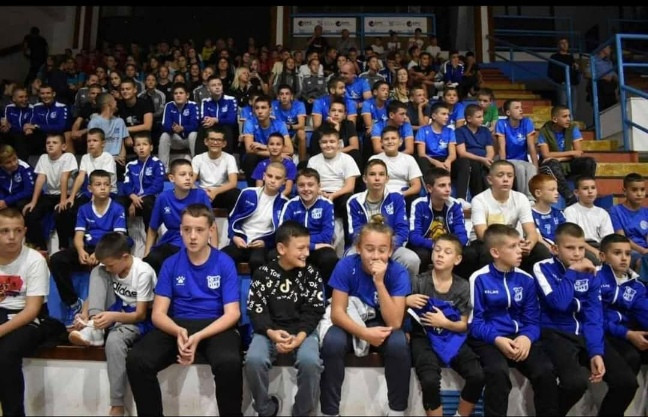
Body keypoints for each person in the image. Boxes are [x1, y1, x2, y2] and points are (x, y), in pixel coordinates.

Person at [126, 204, 243, 416]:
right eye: (187, 229)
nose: (193, 236)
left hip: (215, 325)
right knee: (137, 360)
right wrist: (179, 331)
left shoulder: (224, 262)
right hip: (178, 323)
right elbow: (158, 314)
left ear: (211, 230)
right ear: (180, 230)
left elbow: (233, 314)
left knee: (230, 362)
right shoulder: (170, 264)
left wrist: (198, 336)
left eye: (199, 230)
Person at [533, 222, 638, 415]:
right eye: (570, 248)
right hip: (555, 333)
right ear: (555, 249)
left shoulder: (592, 273)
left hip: (584, 332)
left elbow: (593, 315)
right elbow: (559, 304)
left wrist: (595, 351)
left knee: (626, 383)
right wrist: (573, 272)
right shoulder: (543, 267)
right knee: (574, 384)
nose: (577, 254)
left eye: (581, 248)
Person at [319, 216, 411, 416]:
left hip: (383, 322)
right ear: (359, 248)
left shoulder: (398, 272)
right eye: (369, 249)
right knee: (332, 342)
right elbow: (337, 313)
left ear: (390, 251)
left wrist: (379, 282)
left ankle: (396, 410)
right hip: (352, 321)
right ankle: (330, 411)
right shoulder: (345, 265)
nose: (375, 256)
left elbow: (395, 322)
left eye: (382, 250)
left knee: (398, 344)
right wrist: (365, 333)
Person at [468, 224, 559, 416]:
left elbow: (532, 320)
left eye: (519, 245)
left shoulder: (526, 279)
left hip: (520, 337)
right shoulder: (479, 278)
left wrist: (526, 337)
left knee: (545, 371)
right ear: (495, 252)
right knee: (497, 373)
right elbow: (475, 323)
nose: (520, 250)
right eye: (513, 246)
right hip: (490, 339)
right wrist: (497, 339)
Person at [68, 232, 156, 417]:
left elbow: (141, 315)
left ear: (125, 257)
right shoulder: (108, 268)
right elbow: (95, 294)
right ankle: (94, 328)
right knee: (97, 271)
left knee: (114, 341)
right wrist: (85, 314)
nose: (108, 269)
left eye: (111, 265)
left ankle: (117, 404)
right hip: (115, 311)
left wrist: (113, 317)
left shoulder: (143, 272)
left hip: (139, 318)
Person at [245, 221, 325, 417]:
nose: (307, 253)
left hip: (303, 331)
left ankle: (301, 411)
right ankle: (265, 409)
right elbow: (256, 310)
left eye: (307, 247)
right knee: (253, 360)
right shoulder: (263, 274)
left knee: (310, 362)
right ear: (282, 248)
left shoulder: (312, 274)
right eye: (301, 248)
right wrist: (271, 333)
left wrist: (299, 337)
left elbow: (314, 311)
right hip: (268, 331)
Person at [407, 234, 484, 416]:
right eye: (437, 250)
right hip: (423, 337)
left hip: (451, 336)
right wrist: (406, 301)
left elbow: (463, 325)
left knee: (477, 376)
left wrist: (445, 323)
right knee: (429, 380)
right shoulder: (418, 281)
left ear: (457, 259)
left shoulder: (463, 286)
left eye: (447, 252)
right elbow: (401, 310)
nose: (440, 255)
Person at [50, 169, 127, 327]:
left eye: (106, 184)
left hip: (108, 251)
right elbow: (78, 236)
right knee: (57, 260)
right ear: (90, 188)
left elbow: (118, 239)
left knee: (104, 267)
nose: (103, 188)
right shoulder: (84, 209)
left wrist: (99, 254)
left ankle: (95, 315)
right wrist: (80, 251)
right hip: (88, 249)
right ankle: (73, 304)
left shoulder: (117, 208)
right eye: (98, 184)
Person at [0, 207, 51, 416]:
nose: (12, 237)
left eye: (17, 230)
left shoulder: (35, 260)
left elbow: (32, 310)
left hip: (26, 319)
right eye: (4, 231)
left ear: (25, 232)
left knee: (5, 355)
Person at [470, 160, 552, 274]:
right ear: (490, 180)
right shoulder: (479, 200)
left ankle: (532, 283)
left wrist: (528, 245)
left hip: (512, 242)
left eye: (510, 176)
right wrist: (509, 245)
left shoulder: (521, 198)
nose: (505, 179)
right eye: (500, 175)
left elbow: (531, 232)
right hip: (485, 242)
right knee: (488, 251)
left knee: (540, 250)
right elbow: (482, 234)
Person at [347, 159, 421, 277]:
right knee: (349, 258)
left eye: (381, 174)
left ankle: (404, 288)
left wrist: (386, 248)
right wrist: (371, 249)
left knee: (412, 260)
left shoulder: (397, 198)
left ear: (387, 178)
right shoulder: (354, 201)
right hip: (366, 247)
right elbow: (355, 233)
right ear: (365, 178)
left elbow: (402, 230)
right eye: (372, 174)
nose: (377, 178)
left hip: (391, 246)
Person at [143, 159, 214, 274]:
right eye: (183, 174)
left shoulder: (200, 195)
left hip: (194, 240)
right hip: (170, 241)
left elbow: (212, 226)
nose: (188, 178)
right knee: (152, 260)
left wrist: (214, 252)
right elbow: (152, 228)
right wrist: (146, 254)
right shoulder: (163, 198)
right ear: (172, 178)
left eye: (191, 174)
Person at [409, 167, 476, 277]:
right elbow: (414, 236)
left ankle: (460, 283)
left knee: (470, 253)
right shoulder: (419, 204)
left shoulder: (455, 205)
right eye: (442, 185)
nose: (448, 189)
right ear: (429, 188)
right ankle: (421, 283)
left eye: (449, 185)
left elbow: (462, 235)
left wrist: (448, 247)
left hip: (449, 246)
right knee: (422, 254)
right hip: (427, 246)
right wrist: (436, 245)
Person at [223, 162, 288, 274]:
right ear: (264, 176)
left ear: (284, 181)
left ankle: (258, 286)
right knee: (223, 257)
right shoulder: (248, 193)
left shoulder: (284, 203)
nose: (272, 180)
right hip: (241, 241)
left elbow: (281, 232)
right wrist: (234, 237)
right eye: (270, 176)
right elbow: (233, 219)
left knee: (257, 261)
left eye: (278, 178)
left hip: (262, 245)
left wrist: (266, 243)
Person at [597, 233, 648, 377]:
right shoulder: (593, 278)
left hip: (628, 332)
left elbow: (644, 312)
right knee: (631, 357)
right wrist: (627, 334)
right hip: (603, 333)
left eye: (628, 253)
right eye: (617, 253)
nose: (624, 258)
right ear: (602, 256)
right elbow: (594, 318)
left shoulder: (637, 285)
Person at [279, 168, 338, 287]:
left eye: (310, 185)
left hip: (317, 252)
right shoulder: (290, 205)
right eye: (301, 185)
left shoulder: (326, 205)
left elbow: (326, 236)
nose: (306, 189)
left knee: (329, 257)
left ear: (319, 186)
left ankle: (327, 295)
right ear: (296, 187)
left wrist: (301, 243)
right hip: (297, 249)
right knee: (274, 254)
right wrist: (313, 245)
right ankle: (284, 293)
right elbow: (283, 235)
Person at [22, 133, 77, 251]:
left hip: (66, 194)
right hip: (49, 194)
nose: (50, 145)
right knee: (31, 213)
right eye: (48, 143)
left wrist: (63, 201)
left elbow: (64, 178)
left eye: (54, 143)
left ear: (63, 147)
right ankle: (40, 247)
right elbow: (40, 179)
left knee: (61, 212)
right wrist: (33, 202)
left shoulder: (68, 157)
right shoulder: (43, 158)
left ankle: (64, 246)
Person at [307, 124, 360, 242]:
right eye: (324, 142)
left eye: (332, 141)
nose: (328, 145)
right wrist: (320, 193)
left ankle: (350, 242)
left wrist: (333, 195)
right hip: (319, 194)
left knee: (349, 201)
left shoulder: (347, 159)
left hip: (340, 194)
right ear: (319, 144)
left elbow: (350, 186)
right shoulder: (313, 161)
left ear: (339, 143)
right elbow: (310, 183)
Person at [537, 105, 597, 206]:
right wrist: (571, 153)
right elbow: (546, 155)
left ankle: (586, 193)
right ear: (555, 119)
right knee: (552, 163)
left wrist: (560, 158)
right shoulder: (544, 131)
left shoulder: (573, 128)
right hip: (551, 165)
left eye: (569, 116)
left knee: (589, 162)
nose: (568, 119)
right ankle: (570, 198)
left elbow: (578, 153)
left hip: (567, 162)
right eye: (564, 116)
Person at [415, 102, 470, 202]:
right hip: (430, 160)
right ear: (434, 116)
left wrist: (448, 161)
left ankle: (461, 198)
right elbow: (421, 153)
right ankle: (430, 194)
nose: (447, 117)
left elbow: (452, 154)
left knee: (464, 162)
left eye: (448, 114)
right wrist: (436, 163)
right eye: (443, 114)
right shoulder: (423, 130)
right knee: (422, 160)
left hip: (445, 159)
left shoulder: (450, 131)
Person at [241, 95, 292, 186]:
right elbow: (249, 149)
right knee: (250, 158)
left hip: (271, 154)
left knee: (288, 159)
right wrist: (275, 154)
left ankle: (283, 190)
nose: (260, 111)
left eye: (263, 108)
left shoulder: (280, 124)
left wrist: (264, 146)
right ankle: (254, 190)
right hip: (260, 156)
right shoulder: (250, 122)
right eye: (257, 108)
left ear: (270, 110)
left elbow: (290, 150)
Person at [564, 176, 615, 266]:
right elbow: (573, 238)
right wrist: (595, 251)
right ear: (576, 192)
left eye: (593, 188)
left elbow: (608, 238)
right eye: (585, 188)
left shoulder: (602, 213)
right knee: (598, 261)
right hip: (580, 246)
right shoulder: (570, 211)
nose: (590, 191)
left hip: (600, 246)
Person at [368, 125, 422, 209]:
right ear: (381, 142)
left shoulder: (409, 159)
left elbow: (416, 186)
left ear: (400, 141)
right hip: (380, 195)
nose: (390, 141)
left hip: (404, 195)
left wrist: (400, 195)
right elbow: (369, 182)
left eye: (393, 138)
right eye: (386, 139)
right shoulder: (374, 159)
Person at [121, 132, 165, 230]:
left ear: (151, 147)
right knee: (118, 202)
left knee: (147, 201)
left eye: (145, 144)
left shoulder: (157, 163)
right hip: (133, 197)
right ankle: (122, 234)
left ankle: (150, 233)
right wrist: (132, 196)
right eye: (138, 145)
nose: (141, 148)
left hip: (149, 198)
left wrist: (137, 199)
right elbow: (126, 184)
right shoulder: (131, 165)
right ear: (134, 149)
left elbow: (158, 186)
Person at [495, 99, 538, 199]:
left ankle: (532, 198)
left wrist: (536, 165)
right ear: (508, 113)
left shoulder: (527, 122)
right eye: (517, 108)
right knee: (520, 168)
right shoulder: (501, 123)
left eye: (521, 107)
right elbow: (501, 148)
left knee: (531, 168)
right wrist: (503, 166)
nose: (521, 110)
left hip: (523, 159)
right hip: (507, 159)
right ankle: (523, 198)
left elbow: (531, 146)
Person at [191, 126, 240, 213]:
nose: (215, 142)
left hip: (221, 192)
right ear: (206, 141)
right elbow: (191, 181)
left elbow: (233, 183)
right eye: (212, 139)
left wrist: (215, 191)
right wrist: (203, 193)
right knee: (189, 192)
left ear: (224, 143)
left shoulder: (229, 158)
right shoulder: (197, 158)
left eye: (219, 140)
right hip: (203, 193)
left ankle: (233, 220)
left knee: (235, 193)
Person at [609, 172, 648, 280]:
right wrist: (642, 250)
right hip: (628, 250)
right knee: (642, 260)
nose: (639, 193)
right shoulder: (615, 211)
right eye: (634, 190)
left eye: (642, 190)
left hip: (645, 250)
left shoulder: (646, 212)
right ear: (625, 191)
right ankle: (639, 287)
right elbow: (622, 238)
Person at [455, 104, 495, 199]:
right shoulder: (460, 131)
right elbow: (462, 153)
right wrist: (482, 160)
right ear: (469, 119)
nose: (482, 119)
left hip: (485, 161)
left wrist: (488, 160)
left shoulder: (485, 131)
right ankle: (477, 197)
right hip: (470, 160)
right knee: (476, 166)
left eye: (482, 116)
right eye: (479, 117)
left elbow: (490, 150)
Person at [87, 93, 130, 179]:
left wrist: (122, 158)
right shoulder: (94, 122)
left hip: (117, 161)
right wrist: (111, 158)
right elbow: (91, 147)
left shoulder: (119, 121)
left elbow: (121, 144)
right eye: (114, 101)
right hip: (100, 159)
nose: (116, 102)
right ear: (110, 104)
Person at [158, 83, 200, 170]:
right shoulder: (169, 106)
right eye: (175, 93)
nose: (178, 95)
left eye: (181, 93)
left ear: (187, 95)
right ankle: (163, 168)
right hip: (175, 139)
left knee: (193, 134)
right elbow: (165, 125)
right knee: (164, 136)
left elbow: (195, 125)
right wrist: (174, 129)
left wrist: (183, 128)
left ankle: (197, 167)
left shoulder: (193, 105)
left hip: (189, 140)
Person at [195, 76, 239, 155]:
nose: (217, 87)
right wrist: (209, 121)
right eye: (213, 85)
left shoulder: (231, 100)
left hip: (227, 128)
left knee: (227, 128)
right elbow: (204, 118)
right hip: (211, 127)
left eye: (219, 84)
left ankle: (228, 157)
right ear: (208, 89)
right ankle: (198, 158)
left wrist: (216, 120)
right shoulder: (205, 101)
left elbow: (231, 120)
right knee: (203, 128)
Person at [252, 132, 297, 198]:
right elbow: (259, 188)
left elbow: (288, 189)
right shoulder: (261, 165)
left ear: (283, 147)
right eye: (271, 144)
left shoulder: (290, 165)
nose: (275, 147)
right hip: (265, 198)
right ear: (267, 147)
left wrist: (275, 199)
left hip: (283, 198)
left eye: (278, 144)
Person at [529, 174, 566, 250]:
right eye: (552, 190)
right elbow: (537, 237)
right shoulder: (529, 214)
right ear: (538, 193)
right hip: (543, 250)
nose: (557, 193)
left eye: (557, 189)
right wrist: (552, 249)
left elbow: (565, 234)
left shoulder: (559, 214)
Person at [271, 84, 307, 163]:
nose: (284, 96)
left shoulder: (299, 105)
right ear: (278, 97)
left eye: (287, 94)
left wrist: (289, 127)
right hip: (279, 134)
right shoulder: (273, 105)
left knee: (301, 133)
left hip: (293, 134)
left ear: (291, 96)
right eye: (281, 94)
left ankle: (302, 163)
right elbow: (272, 125)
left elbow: (301, 125)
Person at [0, 88, 33, 161]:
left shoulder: (31, 108)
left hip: (24, 137)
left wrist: (11, 126)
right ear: (14, 99)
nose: (24, 99)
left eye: (26, 96)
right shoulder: (9, 107)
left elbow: (27, 127)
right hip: (10, 135)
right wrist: (5, 126)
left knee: (19, 136)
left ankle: (22, 162)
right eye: (21, 97)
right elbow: (6, 124)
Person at [0, 145, 36, 213]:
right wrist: (2, 200)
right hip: (6, 199)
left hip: (24, 199)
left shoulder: (25, 168)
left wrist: (7, 201)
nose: (14, 164)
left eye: (15, 159)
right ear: (1, 164)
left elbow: (28, 191)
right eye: (8, 162)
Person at [547, 37, 581, 109]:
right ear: (558, 45)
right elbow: (551, 72)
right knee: (563, 105)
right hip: (561, 84)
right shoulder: (554, 57)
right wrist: (559, 81)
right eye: (562, 43)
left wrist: (576, 70)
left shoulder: (570, 57)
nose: (565, 45)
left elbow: (574, 70)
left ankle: (571, 117)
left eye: (566, 43)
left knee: (573, 106)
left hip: (572, 84)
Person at [592, 45, 618, 111]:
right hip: (600, 87)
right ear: (603, 49)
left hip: (610, 87)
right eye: (609, 48)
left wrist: (616, 78)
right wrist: (603, 77)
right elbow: (587, 73)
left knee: (611, 109)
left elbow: (613, 74)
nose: (610, 50)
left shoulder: (609, 62)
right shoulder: (593, 59)